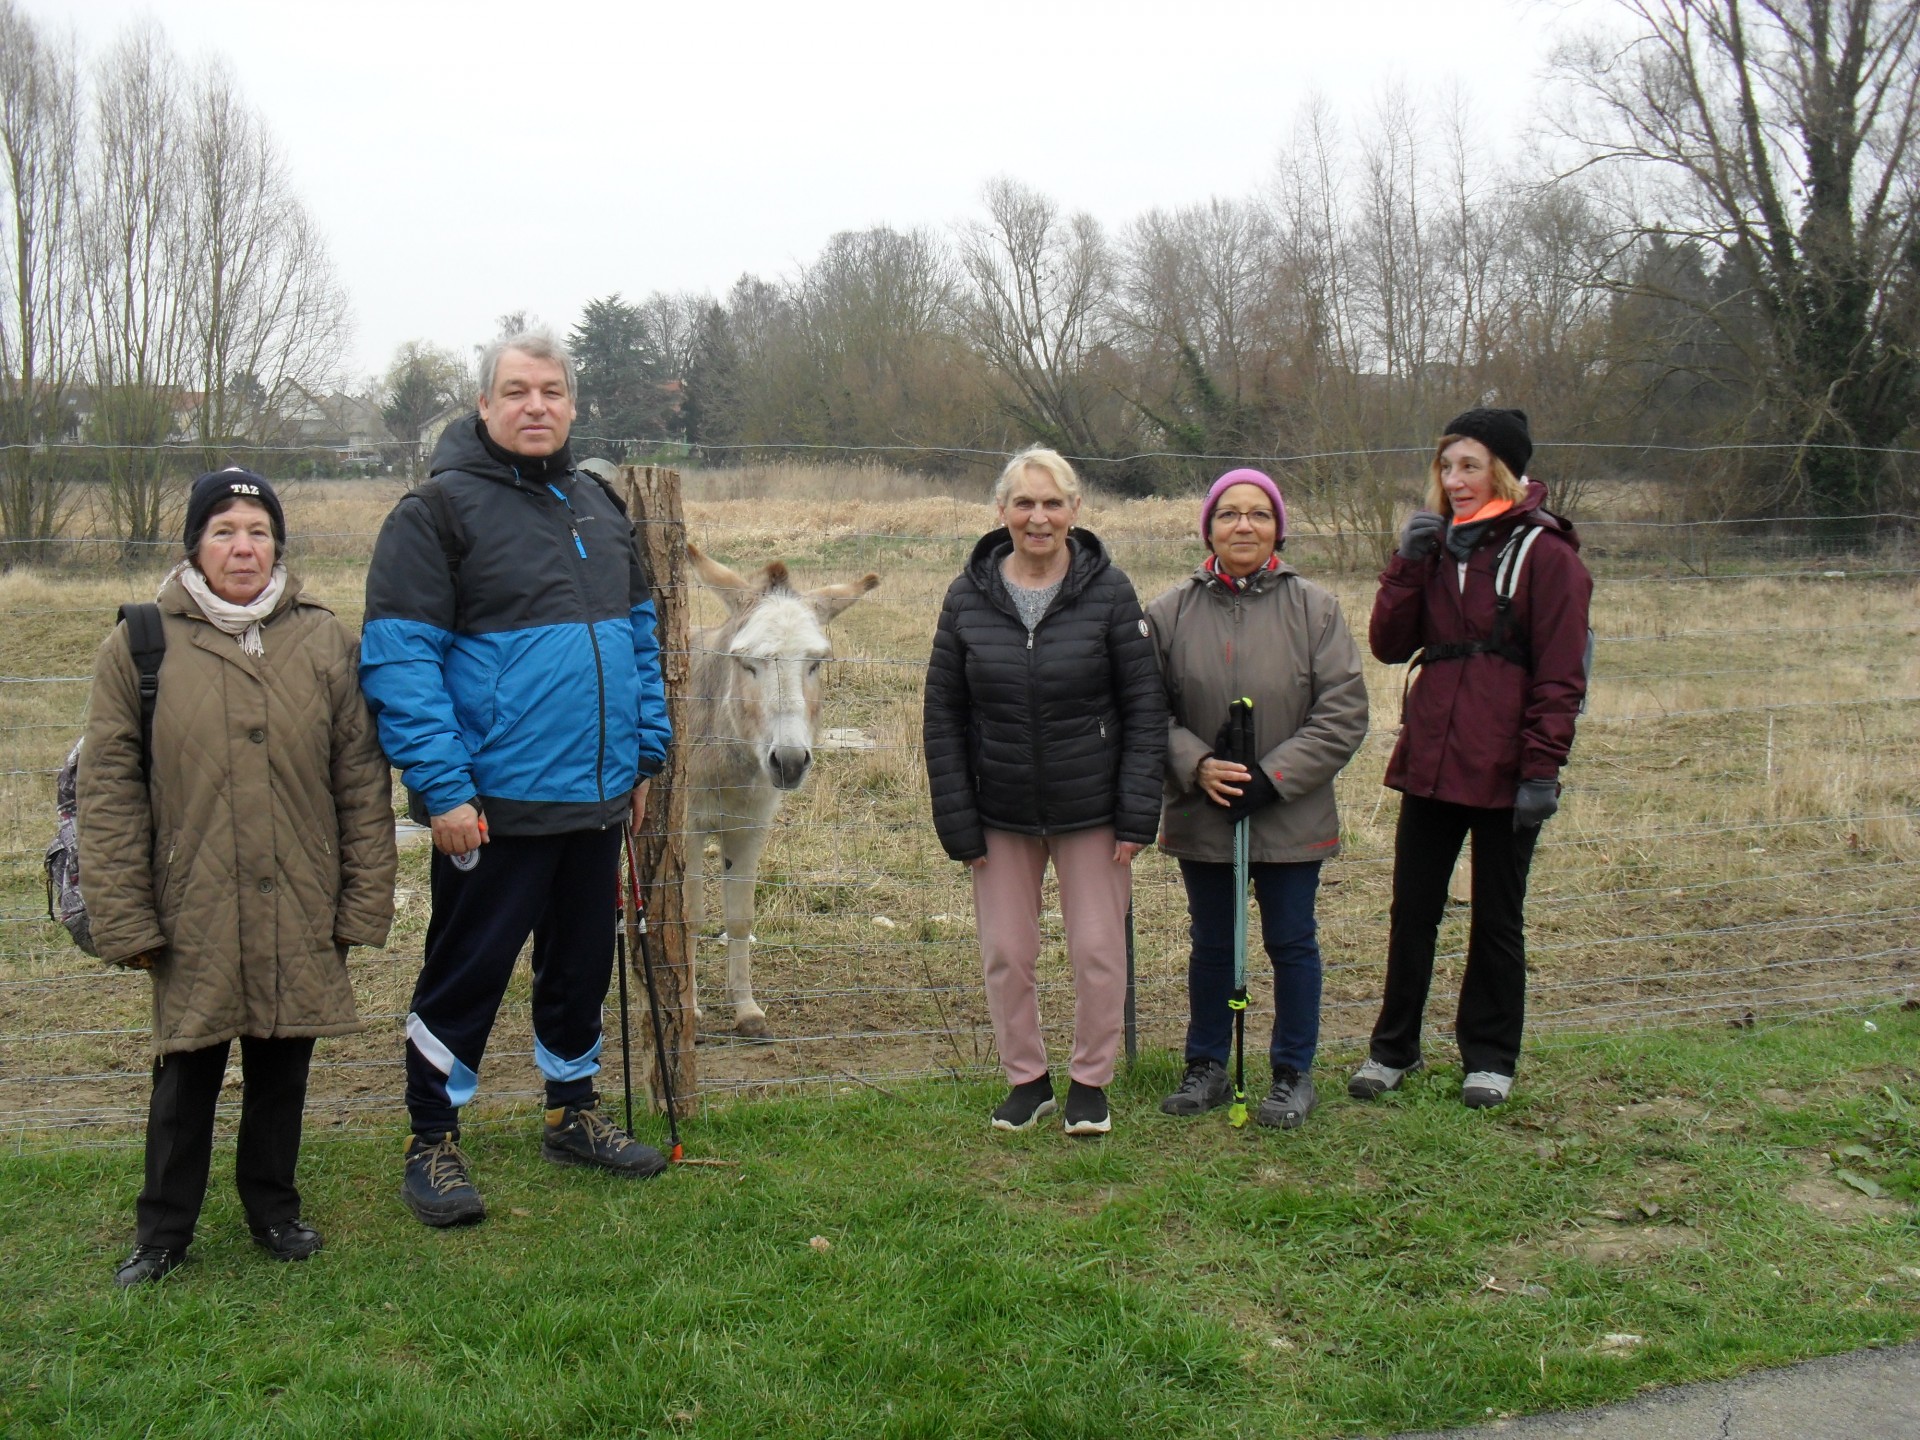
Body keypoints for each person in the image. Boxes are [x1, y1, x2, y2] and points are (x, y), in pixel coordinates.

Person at [361, 328, 672, 1226]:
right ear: (485, 406)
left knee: (578, 966)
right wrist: (444, 786)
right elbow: (400, 662)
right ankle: (433, 1138)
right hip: (492, 805)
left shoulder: (601, 508)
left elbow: (640, 640)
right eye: (516, 391)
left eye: (551, 391)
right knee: (468, 970)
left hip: (598, 795)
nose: (536, 406)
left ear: (572, 406)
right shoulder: (435, 515)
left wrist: (644, 755)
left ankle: (573, 1113)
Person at [79, 468, 398, 1286]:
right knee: (186, 1068)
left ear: (278, 544)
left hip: (298, 890)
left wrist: (361, 901)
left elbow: (360, 780)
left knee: (282, 1062)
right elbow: (109, 790)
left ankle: (274, 1209)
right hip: (193, 898)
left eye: (257, 531)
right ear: (195, 545)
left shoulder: (325, 640)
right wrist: (128, 918)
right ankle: (162, 1232)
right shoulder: (141, 643)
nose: (243, 547)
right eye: (223, 530)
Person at [1350, 408, 1592, 1109]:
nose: (1454, 480)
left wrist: (1543, 767)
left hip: (1507, 767)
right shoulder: (1435, 549)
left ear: (1505, 472)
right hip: (1430, 758)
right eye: (1446, 466)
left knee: (1497, 915)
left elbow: (1560, 674)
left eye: (1470, 465)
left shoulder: (1546, 555)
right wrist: (1405, 563)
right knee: (1412, 911)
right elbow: (1391, 644)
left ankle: (1489, 1056)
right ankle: (1393, 1049)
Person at [923, 447, 1167, 1137]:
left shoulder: (1110, 590)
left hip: (1092, 809)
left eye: (1052, 503)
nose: (1038, 517)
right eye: (1024, 504)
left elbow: (1144, 706)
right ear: (1001, 512)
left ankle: (1092, 1083)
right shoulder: (967, 595)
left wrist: (1136, 812)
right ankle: (1026, 1082)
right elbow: (942, 713)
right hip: (997, 810)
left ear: (1075, 511)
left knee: (1097, 950)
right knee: (1006, 952)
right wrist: (957, 818)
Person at [1147, 469, 1368, 1129]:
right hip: (1203, 808)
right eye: (1229, 515)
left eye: (1258, 514)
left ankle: (1293, 1072)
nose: (1244, 526)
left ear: (1277, 527)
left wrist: (1272, 777)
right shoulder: (1167, 612)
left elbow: (1343, 711)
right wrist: (1197, 765)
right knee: (1212, 942)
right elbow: (1144, 709)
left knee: (1292, 940)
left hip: (1290, 811)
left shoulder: (1316, 609)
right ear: (1208, 527)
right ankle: (1206, 1065)